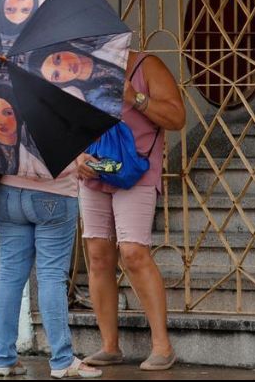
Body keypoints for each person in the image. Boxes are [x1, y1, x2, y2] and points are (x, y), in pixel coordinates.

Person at [77, 50, 185, 371]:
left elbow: (177, 118)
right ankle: (110, 346)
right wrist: (77, 156)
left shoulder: (146, 65)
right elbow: (68, 121)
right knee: (97, 253)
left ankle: (162, 346)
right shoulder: (82, 70)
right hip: (94, 168)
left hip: (134, 170)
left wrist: (135, 97)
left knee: (134, 251)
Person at [0, 156, 102, 378]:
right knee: (51, 275)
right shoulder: (62, 118)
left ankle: (3, 359)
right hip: (55, 192)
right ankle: (62, 360)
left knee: (9, 274)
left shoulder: (6, 118)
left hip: (8, 192)